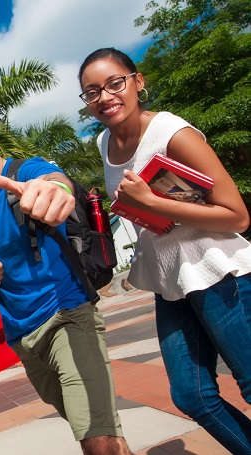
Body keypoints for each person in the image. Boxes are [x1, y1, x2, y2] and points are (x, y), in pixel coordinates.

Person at [0, 99, 132, 455]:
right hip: (22, 338)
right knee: (103, 437)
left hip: (67, 316)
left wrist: (56, 191)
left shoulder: (24, 172)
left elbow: (55, 182)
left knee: (98, 443)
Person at [79, 48, 251, 453]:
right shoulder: (105, 143)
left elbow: (237, 215)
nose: (104, 96)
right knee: (191, 396)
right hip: (169, 281)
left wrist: (153, 203)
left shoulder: (173, 134)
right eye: (91, 92)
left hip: (217, 272)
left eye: (114, 83)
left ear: (138, 82)